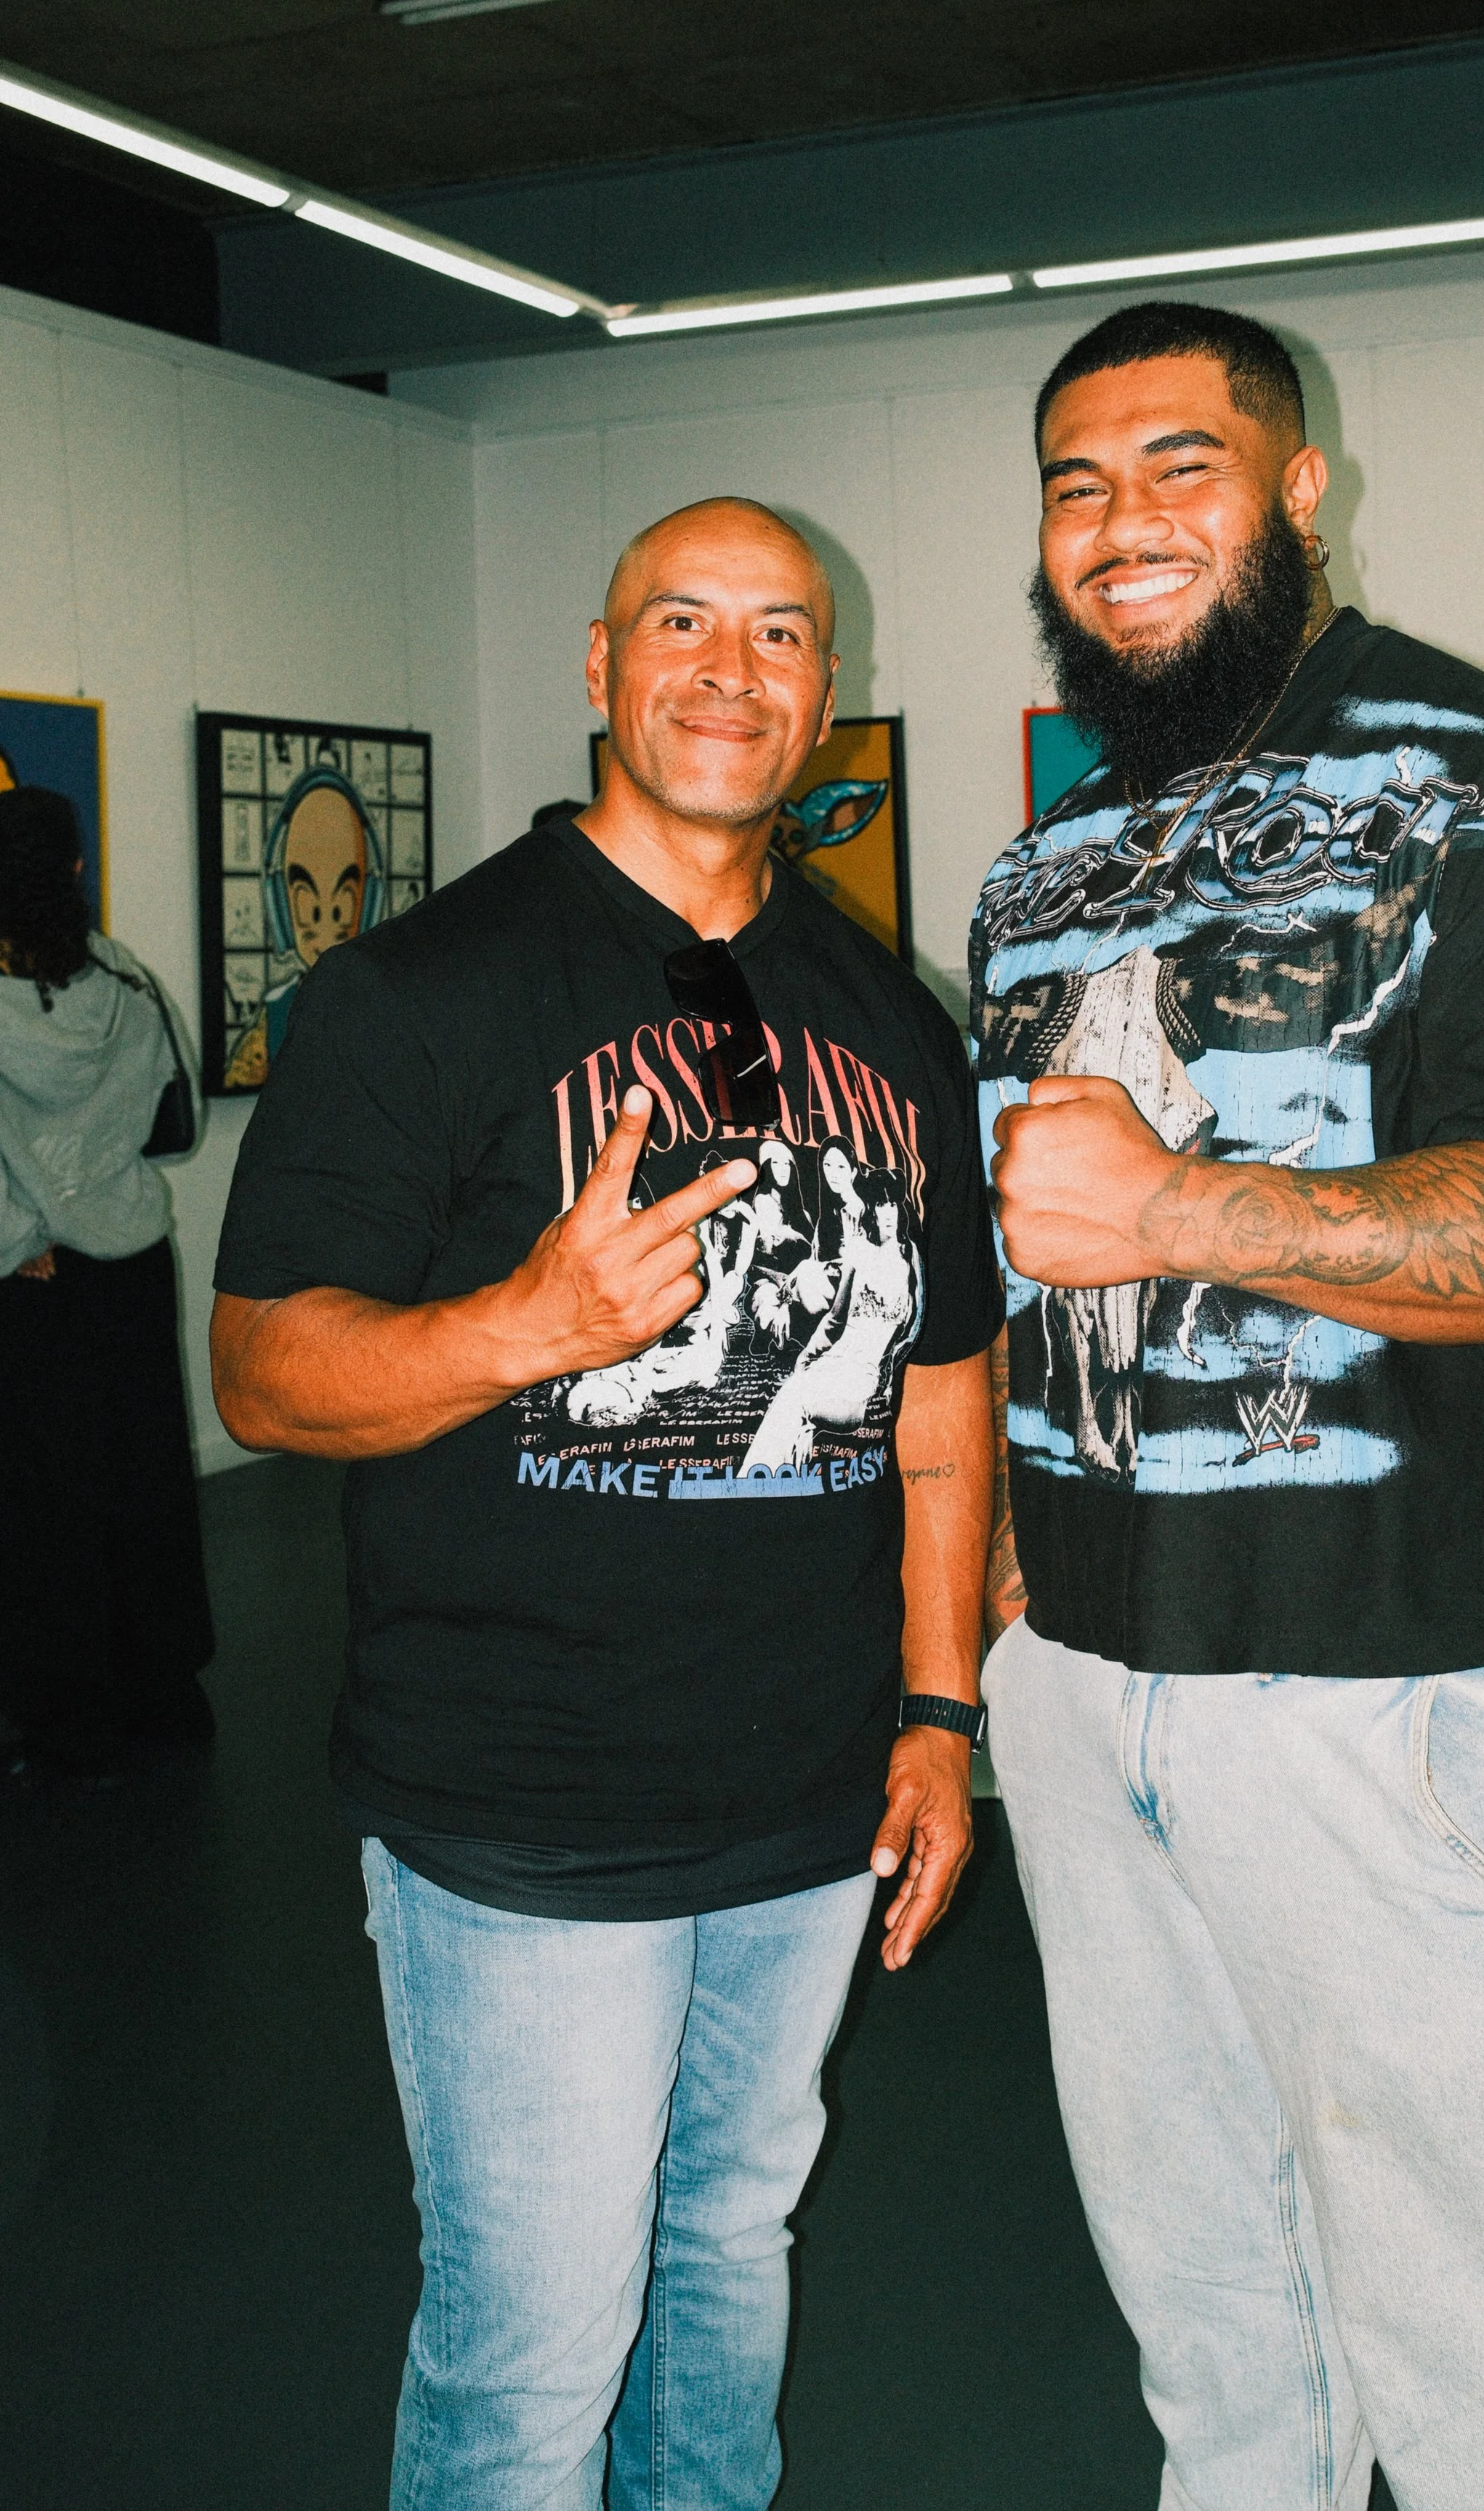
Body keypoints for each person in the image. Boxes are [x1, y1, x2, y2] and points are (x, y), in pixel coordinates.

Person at [971, 302, 1484, 2511]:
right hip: (1091, 1683)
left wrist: (1184, 1204)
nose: (1118, 524)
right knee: (1205, 2307)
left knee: (1483, 2324)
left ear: (1299, 489)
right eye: (1074, 482)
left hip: (1392, 1686)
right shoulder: (1041, 865)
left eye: (1177, 465)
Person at [210, 496, 1000, 2511]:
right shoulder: (419, 990)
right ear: (596, 663)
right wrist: (518, 1322)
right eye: (683, 621)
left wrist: (936, 1713)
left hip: (810, 1797)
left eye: (779, 635)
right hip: (525, 1808)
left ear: (826, 694)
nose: (729, 668)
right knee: (530, 2351)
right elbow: (265, 1370)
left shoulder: (890, 1016)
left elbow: (937, 1387)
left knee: (732, 2253)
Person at [0, 786, 214, 1784]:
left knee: (46, 1506)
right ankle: (166, 1697)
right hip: (129, 1261)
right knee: (146, 1476)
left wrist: (20, 1234)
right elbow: (181, 1114)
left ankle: (68, 1725)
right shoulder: (124, 977)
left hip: (31, 1279)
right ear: (75, 872)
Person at [223, 762, 385, 1089]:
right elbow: (239, 1079)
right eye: (308, 906)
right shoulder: (276, 1012)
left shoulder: (385, 1009)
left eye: (341, 906)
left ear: (366, 907)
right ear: (282, 908)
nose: (325, 929)